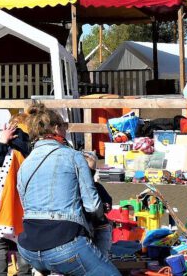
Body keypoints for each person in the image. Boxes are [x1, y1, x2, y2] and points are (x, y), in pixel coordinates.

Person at [15, 104, 119, 276]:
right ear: (56, 128)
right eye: (65, 126)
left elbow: (26, 206)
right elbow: (93, 206)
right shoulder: (73, 156)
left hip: (28, 248)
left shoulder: (25, 164)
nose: (66, 130)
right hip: (65, 245)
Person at [0, 114, 33, 276]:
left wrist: (2, 141)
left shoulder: (11, 146)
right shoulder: (32, 147)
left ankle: (1, 273)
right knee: (24, 238)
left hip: (6, 200)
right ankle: (25, 273)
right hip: (26, 201)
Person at [82, 152, 113, 259]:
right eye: (88, 171)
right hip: (83, 230)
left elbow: (108, 201)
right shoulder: (74, 187)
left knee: (101, 258)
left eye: (93, 171)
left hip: (100, 227)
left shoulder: (97, 186)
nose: (90, 175)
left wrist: (106, 206)